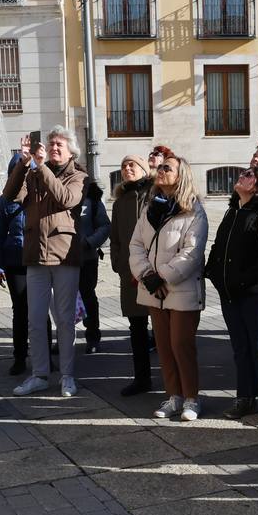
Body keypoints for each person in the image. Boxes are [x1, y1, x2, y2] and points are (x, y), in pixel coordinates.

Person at [5, 126, 88, 399]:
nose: (53, 148)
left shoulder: (79, 175)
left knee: (65, 320)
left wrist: (42, 169)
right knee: (35, 319)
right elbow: (10, 195)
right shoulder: (34, 170)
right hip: (34, 254)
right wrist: (23, 160)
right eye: (50, 144)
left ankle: (67, 375)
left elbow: (66, 199)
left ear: (70, 150)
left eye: (59, 145)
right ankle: (40, 374)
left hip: (64, 255)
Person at [128, 155, 209, 421]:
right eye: (160, 167)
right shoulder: (150, 207)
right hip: (153, 289)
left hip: (180, 288)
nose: (160, 170)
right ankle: (173, 396)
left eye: (167, 168)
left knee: (181, 344)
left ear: (181, 175)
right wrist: (147, 276)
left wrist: (161, 277)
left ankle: (192, 398)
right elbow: (136, 245)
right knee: (163, 346)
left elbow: (191, 253)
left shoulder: (193, 210)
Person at [205, 166, 258, 424]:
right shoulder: (233, 211)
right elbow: (218, 246)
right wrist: (213, 273)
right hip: (229, 294)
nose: (242, 176)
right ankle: (245, 397)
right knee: (240, 349)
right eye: (243, 173)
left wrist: (249, 281)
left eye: (249, 175)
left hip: (255, 295)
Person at [109, 155, 156, 397]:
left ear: (144, 169)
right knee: (136, 328)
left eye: (132, 165)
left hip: (155, 273)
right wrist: (118, 263)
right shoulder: (120, 202)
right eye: (124, 166)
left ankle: (172, 380)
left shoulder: (155, 194)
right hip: (129, 274)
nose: (127, 169)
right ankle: (142, 378)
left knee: (161, 327)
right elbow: (115, 238)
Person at [0, 151, 31, 376]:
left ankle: (44, 355)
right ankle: (19, 357)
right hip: (15, 260)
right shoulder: (5, 201)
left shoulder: (39, 197)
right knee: (20, 310)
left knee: (39, 312)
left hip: (38, 260)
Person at [75, 177, 111, 353]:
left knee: (88, 297)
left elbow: (104, 226)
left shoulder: (91, 200)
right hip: (61, 259)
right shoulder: (58, 196)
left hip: (86, 258)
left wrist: (89, 242)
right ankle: (64, 338)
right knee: (61, 300)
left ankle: (93, 337)